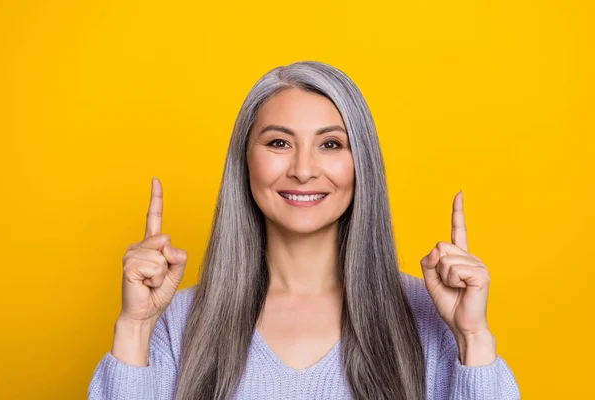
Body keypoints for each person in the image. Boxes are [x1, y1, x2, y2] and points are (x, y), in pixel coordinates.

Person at [88, 61, 520, 400]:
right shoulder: (175, 323)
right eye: (278, 142)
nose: (302, 169)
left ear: (361, 164)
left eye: (330, 144)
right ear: (245, 163)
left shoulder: (430, 316)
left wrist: (472, 337)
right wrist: (135, 328)